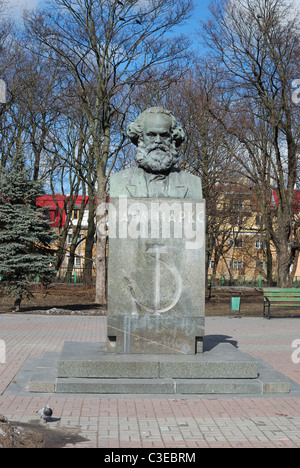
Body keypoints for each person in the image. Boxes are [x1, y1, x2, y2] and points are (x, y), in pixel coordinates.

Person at [110, 107, 203, 199]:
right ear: (141, 138)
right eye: (151, 135)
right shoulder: (119, 181)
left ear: (173, 138)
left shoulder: (192, 182)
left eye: (164, 135)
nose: (158, 141)